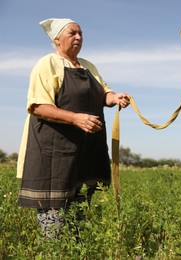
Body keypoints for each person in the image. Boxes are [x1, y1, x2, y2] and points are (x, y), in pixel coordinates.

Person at [17, 18, 130, 239]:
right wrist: (75, 118)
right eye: (72, 33)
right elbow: (38, 106)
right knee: (54, 225)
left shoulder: (88, 66)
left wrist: (114, 97)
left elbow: (103, 93)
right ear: (57, 40)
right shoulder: (47, 64)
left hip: (86, 151)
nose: (78, 37)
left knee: (78, 223)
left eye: (80, 33)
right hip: (54, 153)